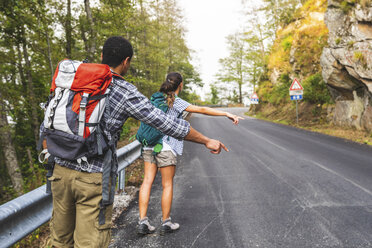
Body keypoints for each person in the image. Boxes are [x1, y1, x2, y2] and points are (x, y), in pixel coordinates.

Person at [44, 36, 227, 248]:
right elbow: (166, 123)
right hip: (92, 177)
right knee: (89, 242)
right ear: (126, 61)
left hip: (59, 171)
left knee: (60, 240)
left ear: (102, 56)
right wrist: (206, 140)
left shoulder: (73, 81)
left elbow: (47, 124)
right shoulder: (124, 91)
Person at [138, 72, 243, 235]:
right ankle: (166, 222)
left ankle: (142, 222)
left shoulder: (155, 98)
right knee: (167, 184)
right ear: (180, 85)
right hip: (166, 146)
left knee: (147, 182)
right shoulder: (175, 101)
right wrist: (226, 113)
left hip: (149, 145)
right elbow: (202, 109)